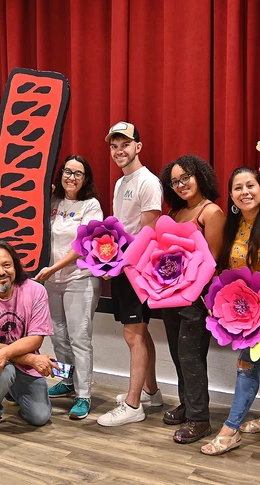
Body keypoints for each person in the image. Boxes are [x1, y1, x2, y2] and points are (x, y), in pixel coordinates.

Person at [201, 167, 260, 456]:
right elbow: (234, 273)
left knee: (247, 362)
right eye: (238, 188)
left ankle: (230, 431)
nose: (245, 192)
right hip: (248, 309)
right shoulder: (238, 224)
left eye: (250, 186)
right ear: (231, 195)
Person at [97, 122, 164, 427]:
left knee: (133, 334)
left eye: (125, 144)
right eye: (114, 145)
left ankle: (133, 404)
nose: (119, 151)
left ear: (138, 146)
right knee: (139, 332)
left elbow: (149, 235)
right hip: (123, 268)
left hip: (137, 271)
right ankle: (150, 391)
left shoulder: (148, 182)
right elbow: (119, 230)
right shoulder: (120, 183)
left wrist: (117, 264)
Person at [0, 240, 58, 440]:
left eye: (7, 265)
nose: (1, 272)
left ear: (15, 266)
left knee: (40, 416)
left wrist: (9, 353)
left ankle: (10, 389)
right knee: (3, 368)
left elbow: (35, 340)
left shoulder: (35, 290)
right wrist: (32, 360)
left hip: (20, 354)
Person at [159, 155, 225, 443]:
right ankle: (187, 404)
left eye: (185, 177)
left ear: (200, 176)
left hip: (197, 298)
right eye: (174, 181)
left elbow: (212, 261)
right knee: (178, 355)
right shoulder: (174, 215)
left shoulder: (211, 213)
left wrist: (189, 289)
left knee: (191, 357)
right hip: (170, 297)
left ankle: (200, 419)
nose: (181, 184)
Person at [34, 155, 104, 420]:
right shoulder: (51, 202)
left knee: (79, 338)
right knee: (58, 335)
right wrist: (43, 193)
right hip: (50, 281)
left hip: (80, 278)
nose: (71, 178)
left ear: (85, 179)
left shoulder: (91, 206)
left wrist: (53, 268)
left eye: (78, 174)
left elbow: (84, 244)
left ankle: (83, 395)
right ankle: (67, 380)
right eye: (67, 171)